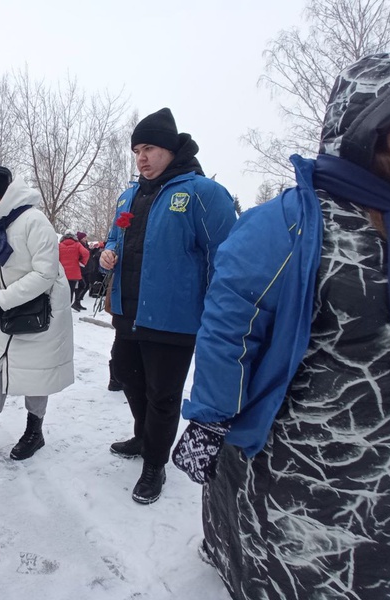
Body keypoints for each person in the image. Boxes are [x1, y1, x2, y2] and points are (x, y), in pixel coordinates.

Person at [174, 53, 390, 600]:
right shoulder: (287, 224)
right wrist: (211, 419)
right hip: (310, 459)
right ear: (373, 134)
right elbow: (228, 333)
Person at [99, 107, 237, 504]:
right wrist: (109, 252)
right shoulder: (129, 195)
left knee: (163, 393)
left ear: (171, 149)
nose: (141, 157)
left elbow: (225, 255)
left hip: (175, 316)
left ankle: (155, 465)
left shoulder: (203, 192)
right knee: (126, 373)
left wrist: (217, 313)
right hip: (129, 309)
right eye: (137, 149)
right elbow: (113, 238)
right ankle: (144, 437)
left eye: (150, 148)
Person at [0, 165, 75, 461]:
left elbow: (45, 274)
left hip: (42, 311)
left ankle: (35, 432)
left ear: (2, 196)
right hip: (12, 309)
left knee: (36, 373)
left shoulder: (35, 222)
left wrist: (2, 301)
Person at [58, 229, 89, 311]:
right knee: (70, 291)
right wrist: (82, 262)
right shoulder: (77, 245)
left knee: (61, 291)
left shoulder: (59, 245)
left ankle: (60, 309)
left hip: (61, 273)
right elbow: (86, 253)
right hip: (73, 273)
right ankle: (67, 309)